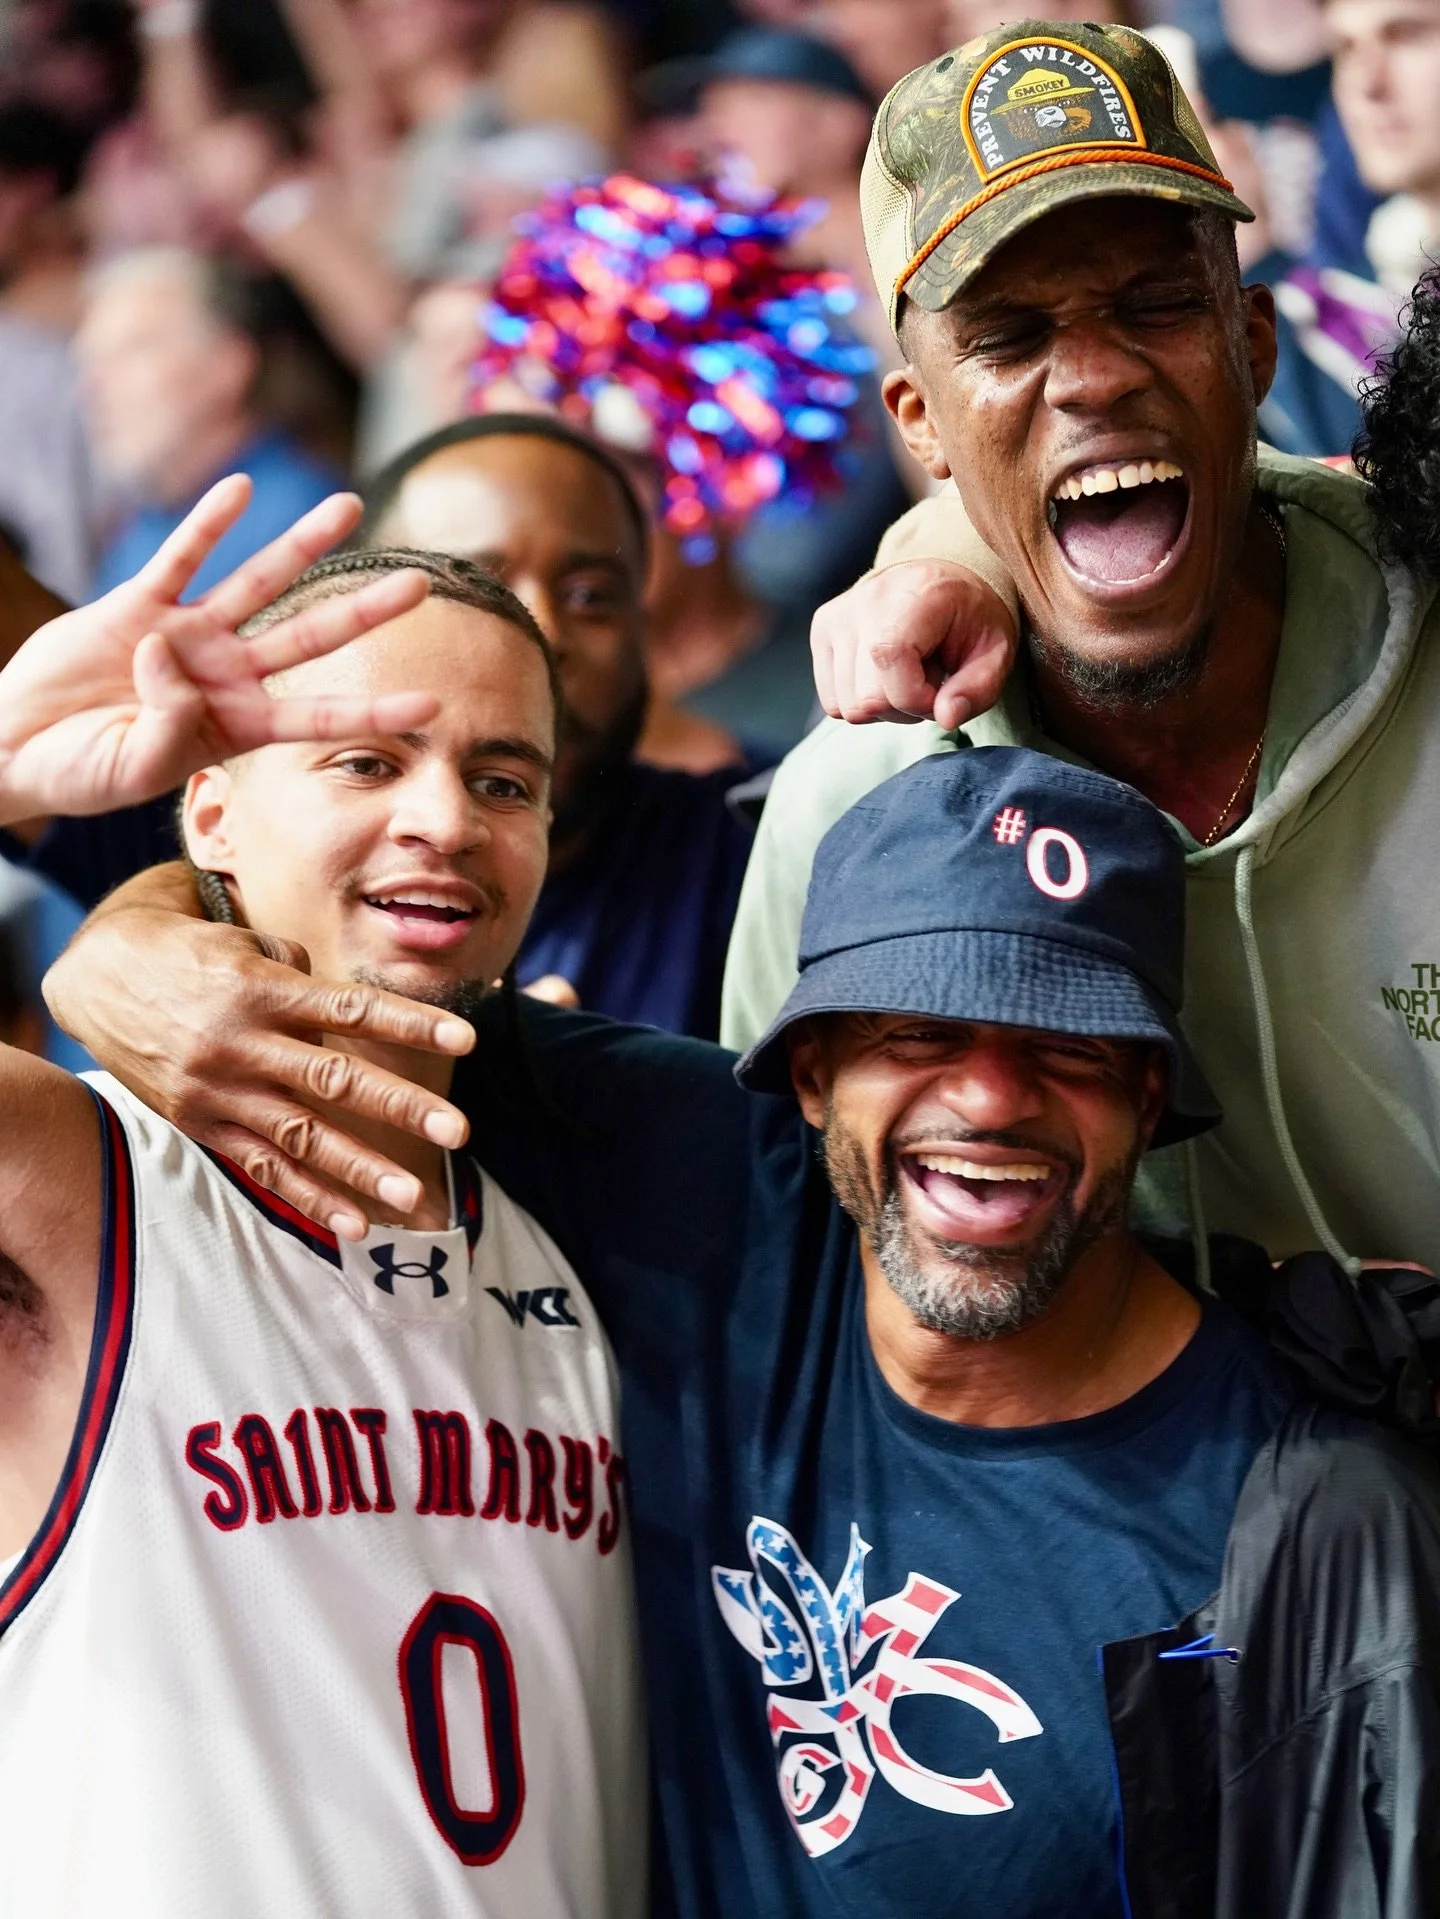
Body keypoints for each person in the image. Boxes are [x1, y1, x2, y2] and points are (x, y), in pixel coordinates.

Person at [39, 734, 1440, 1915]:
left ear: (1149, 1095)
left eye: (1066, 1043)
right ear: (812, 1072)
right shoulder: (714, 1189)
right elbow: (342, 989)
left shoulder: (1309, 1533)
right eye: (918, 1032)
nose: (990, 1098)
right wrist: (121, 947)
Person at [0, 506, 645, 1916]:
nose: (445, 821)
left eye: (505, 780)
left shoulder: (589, 1211)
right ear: (211, 812)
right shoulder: (75, 1179)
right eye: (367, 758)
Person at [719, 19, 1440, 1276]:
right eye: (1007, 337)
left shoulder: (1421, 618)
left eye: (1156, 306)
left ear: (1253, 345)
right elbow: (789, 1257)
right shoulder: (859, 801)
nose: (1094, 378)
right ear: (920, 421)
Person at [359, 413, 760, 1035]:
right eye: (480, 590)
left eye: (590, 596)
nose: (543, 634)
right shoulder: (257, 851)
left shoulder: (755, 857)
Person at [78, 246, 343, 599]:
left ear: (227, 365)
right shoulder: (137, 532)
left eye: (132, 350)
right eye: (91, 361)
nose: (93, 386)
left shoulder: (300, 515)